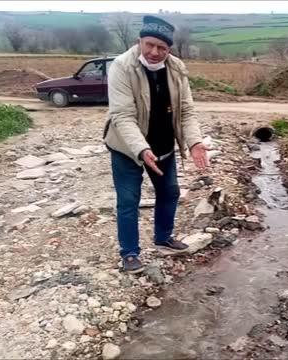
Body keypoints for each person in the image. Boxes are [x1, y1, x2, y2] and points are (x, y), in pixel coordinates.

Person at [103, 15, 208, 273]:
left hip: (163, 145)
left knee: (170, 192)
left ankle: (163, 237)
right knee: (128, 200)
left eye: (162, 48)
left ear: (169, 49)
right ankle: (129, 253)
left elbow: (186, 110)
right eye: (149, 44)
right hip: (127, 148)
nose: (154, 52)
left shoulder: (176, 68)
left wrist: (195, 142)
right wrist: (141, 149)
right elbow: (122, 116)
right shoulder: (121, 66)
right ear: (139, 40)